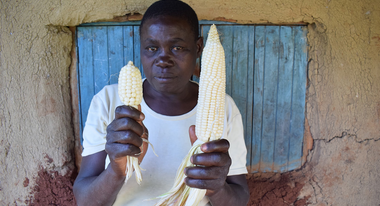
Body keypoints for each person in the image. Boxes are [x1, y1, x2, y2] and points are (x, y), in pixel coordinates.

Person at [73, 0, 250, 205]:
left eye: (177, 47)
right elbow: (85, 201)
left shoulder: (224, 107)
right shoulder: (108, 101)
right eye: (151, 48)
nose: (163, 59)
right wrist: (117, 170)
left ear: (198, 48)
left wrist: (216, 188)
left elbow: (239, 199)